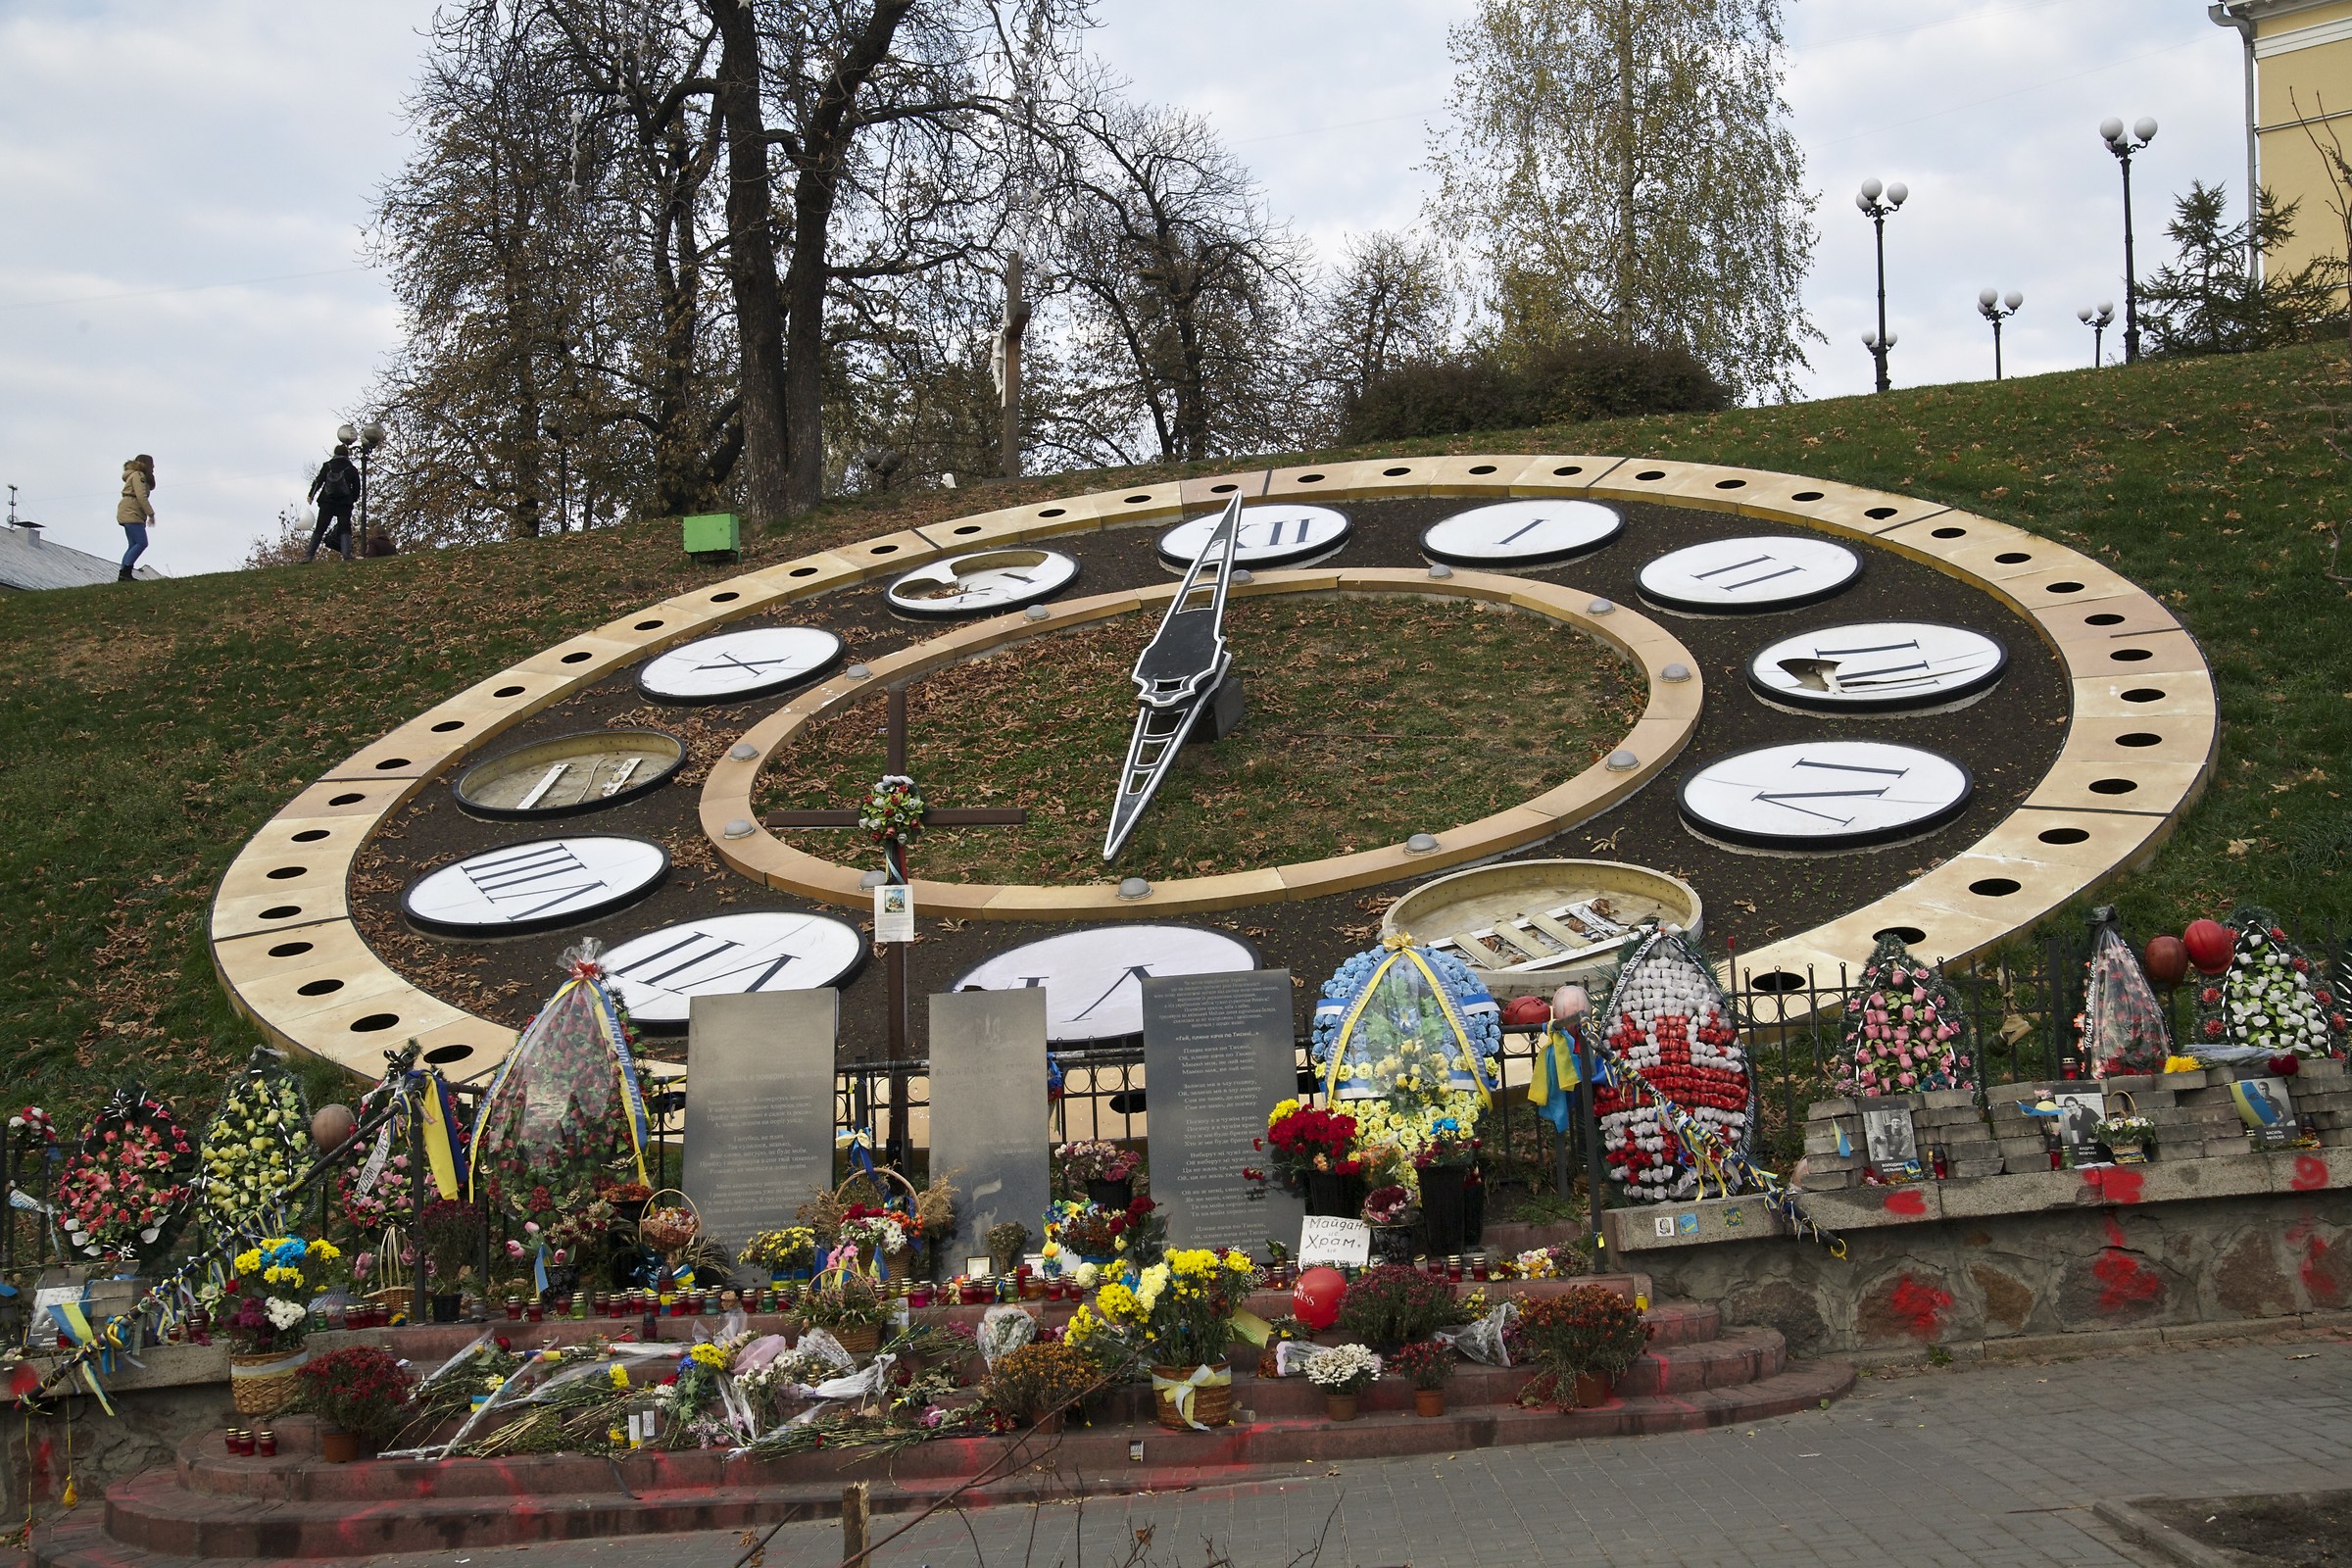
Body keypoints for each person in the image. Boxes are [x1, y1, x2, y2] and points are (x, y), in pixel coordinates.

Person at [305, 443, 362, 562]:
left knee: (320, 528)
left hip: (327, 501)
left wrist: (311, 495)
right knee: (345, 528)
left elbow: (318, 481)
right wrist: (353, 499)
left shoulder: (327, 466)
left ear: (335, 453)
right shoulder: (351, 469)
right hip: (344, 503)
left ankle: (308, 556)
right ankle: (347, 555)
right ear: (347, 455)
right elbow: (357, 488)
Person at [115, 454, 155, 581]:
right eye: (152, 464)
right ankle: (125, 572)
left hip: (128, 510)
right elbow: (141, 496)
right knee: (142, 542)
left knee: (133, 544)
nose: (153, 467)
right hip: (132, 511)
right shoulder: (139, 476)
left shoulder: (133, 475)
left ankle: (124, 573)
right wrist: (151, 514)